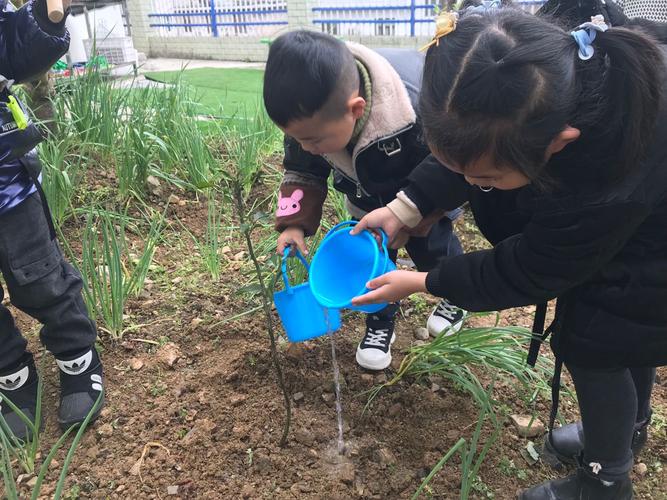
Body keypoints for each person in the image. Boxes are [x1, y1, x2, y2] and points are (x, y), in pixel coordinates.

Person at [351, 6, 666, 498]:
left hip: (653, 250)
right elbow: (462, 154)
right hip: (632, 227)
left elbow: (531, 267)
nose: (475, 186)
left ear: (559, 145)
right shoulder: (525, 91)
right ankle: (622, 435)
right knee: (616, 333)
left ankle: (605, 480)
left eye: (487, 180)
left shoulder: (606, 176)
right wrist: (405, 208)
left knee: (599, 344)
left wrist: (426, 282)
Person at [263, 30, 466, 371]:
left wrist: (410, 214)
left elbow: (448, 167)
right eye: (297, 139)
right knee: (368, 262)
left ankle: (454, 294)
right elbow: (302, 171)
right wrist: (294, 225)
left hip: (423, 194)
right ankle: (379, 322)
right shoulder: (312, 122)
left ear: (355, 109)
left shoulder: (414, 108)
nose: (307, 147)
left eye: (312, 140)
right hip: (366, 195)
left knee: (433, 248)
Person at [0, 0, 104, 439]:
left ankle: (77, 357)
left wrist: (45, 18)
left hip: (5, 181)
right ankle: (13, 377)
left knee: (40, 276)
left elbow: (13, 48)